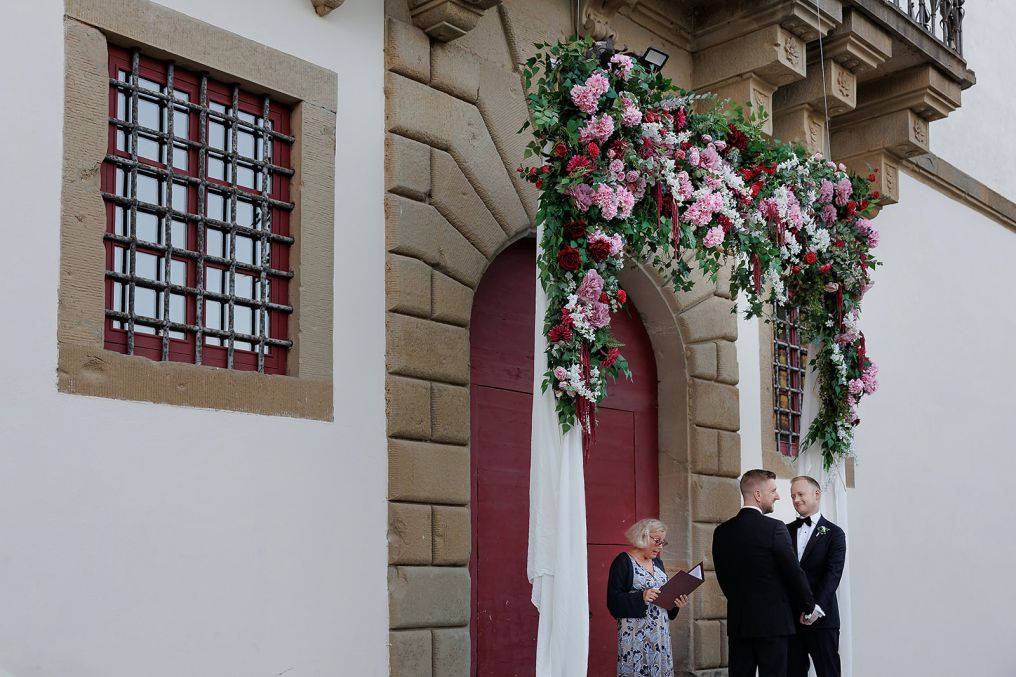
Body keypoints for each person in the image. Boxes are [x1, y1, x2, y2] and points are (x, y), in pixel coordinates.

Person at [712, 469, 822, 677]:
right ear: (758, 494)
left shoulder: (722, 531)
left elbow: (723, 577)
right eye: (773, 490)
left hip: (739, 623)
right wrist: (809, 607)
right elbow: (793, 573)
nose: (778, 496)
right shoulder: (775, 528)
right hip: (774, 624)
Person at [606, 518, 689, 676]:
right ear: (642, 536)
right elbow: (613, 602)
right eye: (657, 540)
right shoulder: (623, 562)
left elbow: (664, 600)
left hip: (660, 635)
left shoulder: (658, 563)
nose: (660, 546)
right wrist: (641, 596)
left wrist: (676, 603)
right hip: (635, 637)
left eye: (663, 542)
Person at [787, 475, 847, 677]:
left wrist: (816, 609)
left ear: (817, 494)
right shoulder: (783, 531)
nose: (796, 499)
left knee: (828, 673)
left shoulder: (835, 534)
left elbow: (833, 574)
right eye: (793, 495)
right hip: (791, 620)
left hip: (823, 619)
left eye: (800, 494)